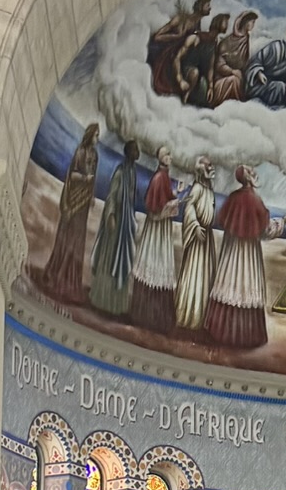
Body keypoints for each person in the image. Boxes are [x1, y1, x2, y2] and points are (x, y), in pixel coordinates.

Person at [203, 164, 273, 350]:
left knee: (229, 280)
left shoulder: (233, 198)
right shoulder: (255, 200)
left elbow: (223, 219)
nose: (254, 173)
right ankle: (245, 337)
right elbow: (264, 229)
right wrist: (279, 226)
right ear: (246, 178)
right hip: (249, 252)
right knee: (246, 282)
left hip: (231, 249)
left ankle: (221, 331)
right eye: (250, 171)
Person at [38, 123, 98, 306]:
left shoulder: (95, 155)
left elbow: (93, 178)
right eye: (96, 135)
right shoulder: (81, 152)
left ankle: (71, 279)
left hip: (84, 203)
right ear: (89, 135)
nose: (97, 139)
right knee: (67, 236)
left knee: (77, 239)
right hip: (74, 200)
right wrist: (84, 179)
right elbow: (72, 175)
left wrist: (91, 194)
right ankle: (57, 273)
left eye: (98, 135)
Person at [129, 147, 181, 335]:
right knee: (154, 264)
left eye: (170, 154)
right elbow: (154, 207)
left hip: (161, 230)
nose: (170, 157)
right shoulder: (159, 178)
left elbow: (164, 197)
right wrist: (170, 206)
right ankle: (150, 316)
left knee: (160, 266)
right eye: (167, 155)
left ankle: (154, 317)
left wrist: (175, 195)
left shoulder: (164, 177)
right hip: (156, 230)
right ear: (161, 158)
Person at [88, 140, 140, 318]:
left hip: (125, 223)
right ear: (129, 152)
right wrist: (110, 215)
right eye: (135, 149)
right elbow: (112, 195)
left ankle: (116, 304)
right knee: (110, 259)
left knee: (121, 259)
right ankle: (102, 299)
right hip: (116, 220)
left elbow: (130, 198)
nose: (138, 152)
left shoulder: (132, 172)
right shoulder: (120, 172)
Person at [174, 158, 217, 333]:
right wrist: (196, 226)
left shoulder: (209, 190)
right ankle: (188, 317)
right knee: (194, 275)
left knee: (204, 277)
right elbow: (189, 208)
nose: (212, 168)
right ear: (201, 170)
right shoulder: (198, 188)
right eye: (209, 166)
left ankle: (200, 318)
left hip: (207, 238)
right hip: (198, 237)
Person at [244, 24, 286, 110]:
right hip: (262, 83)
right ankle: (270, 109)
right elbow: (256, 60)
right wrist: (259, 73)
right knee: (279, 87)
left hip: (282, 83)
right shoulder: (276, 46)